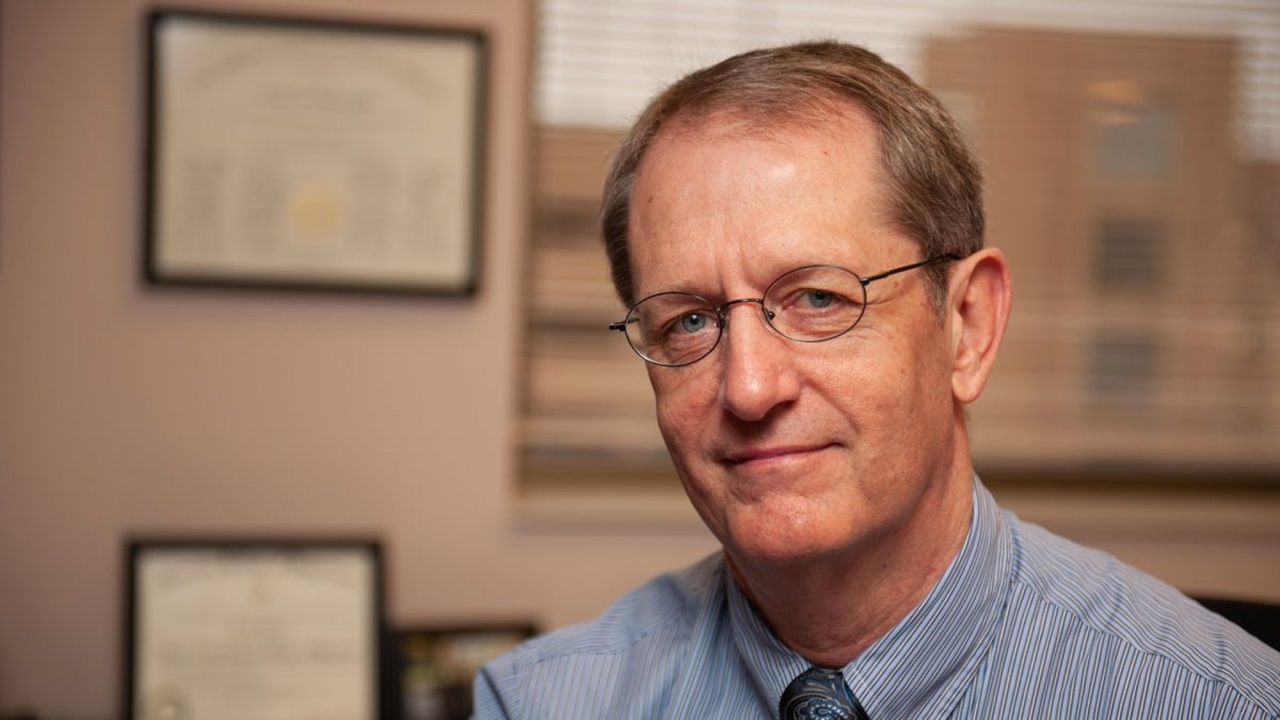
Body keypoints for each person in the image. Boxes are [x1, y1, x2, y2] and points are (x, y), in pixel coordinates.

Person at [474, 41, 1280, 718]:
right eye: (688, 320)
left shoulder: (1218, 701)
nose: (749, 389)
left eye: (819, 298)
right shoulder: (541, 703)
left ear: (967, 327)